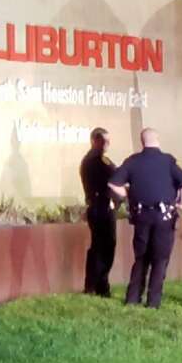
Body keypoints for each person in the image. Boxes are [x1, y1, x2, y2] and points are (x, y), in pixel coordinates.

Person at [108, 128, 182, 309]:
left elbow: (113, 183)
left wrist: (128, 194)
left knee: (141, 257)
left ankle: (133, 297)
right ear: (157, 140)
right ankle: (153, 301)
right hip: (163, 216)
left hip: (141, 216)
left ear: (142, 141)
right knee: (160, 259)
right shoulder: (168, 161)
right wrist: (180, 203)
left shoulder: (132, 161)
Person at [79, 127, 117, 297]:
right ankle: (98, 286)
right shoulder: (96, 160)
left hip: (97, 207)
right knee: (105, 247)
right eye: (104, 141)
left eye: (108, 141)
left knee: (99, 247)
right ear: (95, 140)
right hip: (101, 207)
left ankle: (96, 285)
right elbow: (115, 177)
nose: (107, 144)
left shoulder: (91, 159)